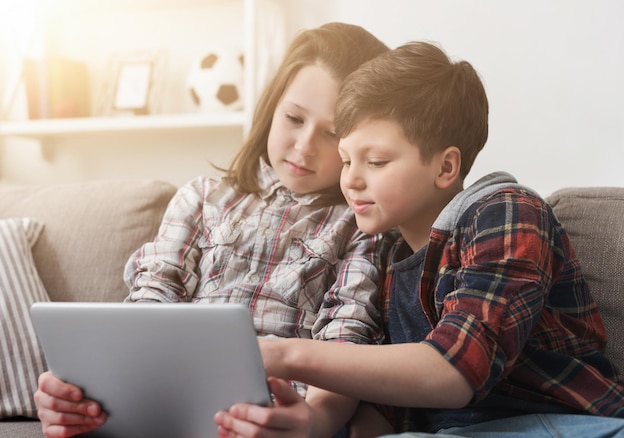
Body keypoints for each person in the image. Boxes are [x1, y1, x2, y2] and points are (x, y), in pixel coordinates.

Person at [214, 41, 624, 437]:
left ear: (446, 167)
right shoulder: (389, 255)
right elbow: (387, 397)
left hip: (560, 424)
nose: (351, 179)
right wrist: (317, 424)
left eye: (375, 161)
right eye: (346, 159)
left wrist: (285, 354)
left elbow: (455, 368)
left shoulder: (506, 213)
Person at [34, 22, 394, 438]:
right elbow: (148, 304)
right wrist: (85, 395)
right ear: (270, 109)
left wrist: (316, 422)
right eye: (293, 118)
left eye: (331, 133)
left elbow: (346, 342)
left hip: (271, 418)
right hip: (164, 403)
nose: (304, 145)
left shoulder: (362, 225)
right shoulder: (201, 199)